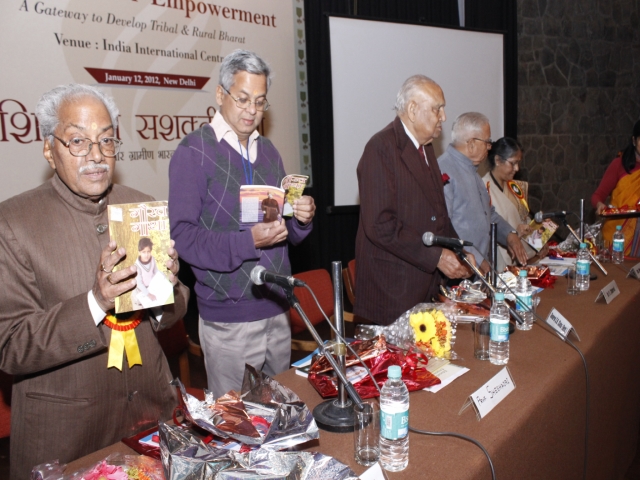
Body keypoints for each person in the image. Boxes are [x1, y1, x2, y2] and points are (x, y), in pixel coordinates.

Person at [0, 84, 189, 479]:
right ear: (49, 149)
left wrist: (167, 292)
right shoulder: (13, 223)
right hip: (67, 438)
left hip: (150, 418)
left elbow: (174, 309)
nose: (96, 155)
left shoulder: (141, 204)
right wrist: (96, 302)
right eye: (78, 141)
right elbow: (11, 346)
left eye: (106, 140)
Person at [169, 50, 315, 399]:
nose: (252, 110)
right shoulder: (194, 151)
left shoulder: (269, 151)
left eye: (260, 102)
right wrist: (248, 242)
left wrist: (301, 219)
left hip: (277, 305)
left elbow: (284, 229)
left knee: (279, 413)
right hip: (228, 317)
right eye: (243, 99)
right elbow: (182, 237)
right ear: (221, 94)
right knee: (237, 421)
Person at [354, 75, 473, 326]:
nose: (443, 117)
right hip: (392, 293)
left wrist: (459, 251)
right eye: (437, 108)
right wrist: (437, 257)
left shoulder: (425, 147)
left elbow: (438, 213)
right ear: (412, 109)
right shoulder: (380, 147)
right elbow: (380, 225)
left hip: (424, 289)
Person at [438, 113, 528, 275]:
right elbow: (445, 227)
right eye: (487, 142)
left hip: (477, 269)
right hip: (460, 271)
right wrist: (478, 259)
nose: (489, 147)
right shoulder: (444, 170)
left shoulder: (472, 172)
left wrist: (509, 234)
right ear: (472, 143)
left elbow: (489, 214)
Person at [482, 137, 549, 271]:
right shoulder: (483, 188)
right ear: (497, 160)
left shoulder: (514, 187)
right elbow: (485, 229)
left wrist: (540, 241)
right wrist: (513, 233)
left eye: (518, 163)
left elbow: (525, 219)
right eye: (513, 163)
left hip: (523, 258)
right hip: (499, 260)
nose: (517, 168)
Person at [592, 119, 640, 257]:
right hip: (618, 236)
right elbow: (597, 196)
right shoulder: (619, 164)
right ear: (634, 141)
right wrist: (600, 205)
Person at [132, 237, 160, 309]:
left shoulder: (152, 259)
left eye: (148, 252)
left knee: (157, 305)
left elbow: (155, 271)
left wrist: (161, 278)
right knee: (140, 309)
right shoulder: (137, 266)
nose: (146, 255)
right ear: (139, 252)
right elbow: (139, 283)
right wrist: (148, 294)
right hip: (140, 290)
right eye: (143, 252)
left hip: (151, 287)